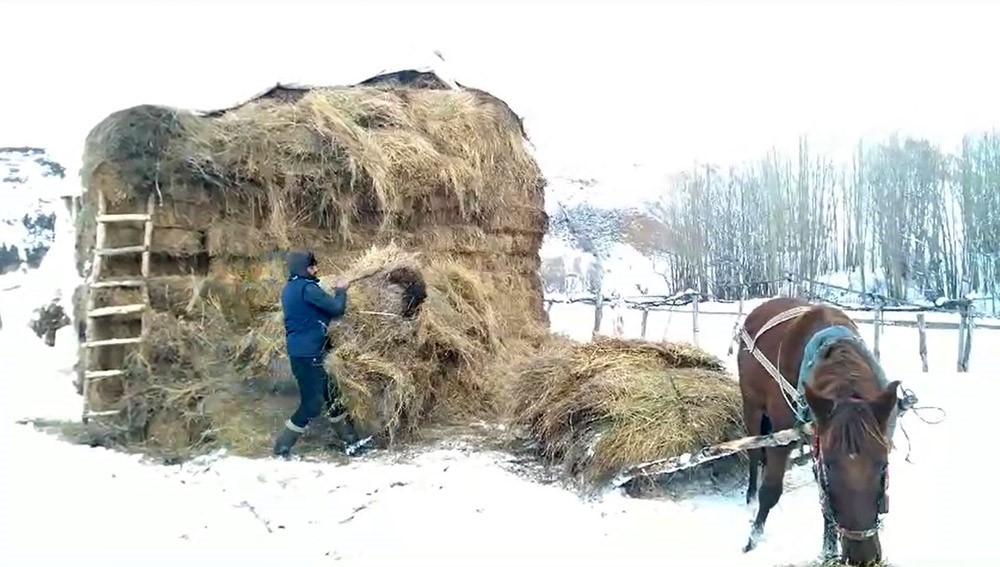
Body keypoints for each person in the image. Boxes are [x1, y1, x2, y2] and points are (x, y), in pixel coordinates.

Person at [273, 250, 359, 458]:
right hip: (308, 354)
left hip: (305, 352)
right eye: (313, 267)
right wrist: (341, 290)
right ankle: (282, 446)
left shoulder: (290, 288)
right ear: (305, 269)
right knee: (312, 404)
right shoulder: (308, 288)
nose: (316, 270)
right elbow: (337, 309)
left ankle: (351, 441)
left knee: (332, 394)